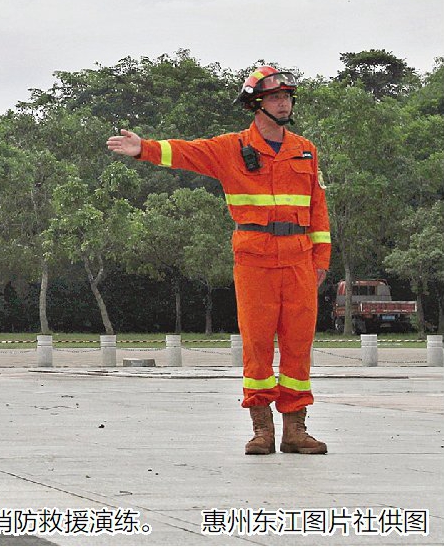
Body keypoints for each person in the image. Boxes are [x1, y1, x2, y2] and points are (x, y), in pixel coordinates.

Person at [106, 65, 331, 455]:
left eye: (286, 96)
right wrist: (144, 148)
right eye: (275, 97)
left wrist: (321, 259)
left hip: (298, 261)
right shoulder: (231, 148)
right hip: (255, 259)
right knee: (257, 345)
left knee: (298, 345)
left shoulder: (305, 150)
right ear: (255, 105)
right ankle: (262, 430)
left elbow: (318, 208)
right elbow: (187, 152)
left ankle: (296, 429)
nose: (284, 103)